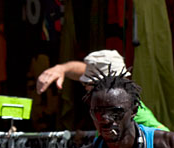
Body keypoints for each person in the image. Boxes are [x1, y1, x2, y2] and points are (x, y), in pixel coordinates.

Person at [37, 49, 169, 131]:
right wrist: (62, 69)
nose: (85, 88)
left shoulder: (135, 113)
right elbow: (80, 70)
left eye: (88, 84)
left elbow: (166, 138)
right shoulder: (110, 108)